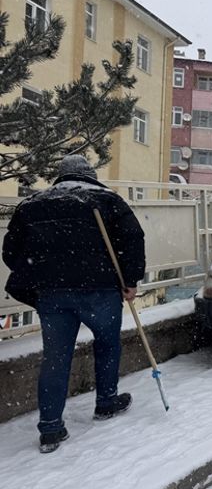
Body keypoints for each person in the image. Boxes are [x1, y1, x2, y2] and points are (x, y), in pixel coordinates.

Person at [2, 155, 146, 453]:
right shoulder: (106, 200)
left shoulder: (32, 205)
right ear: (90, 174)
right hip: (100, 290)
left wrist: (39, 274)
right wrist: (130, 280)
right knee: (107, 344)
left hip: (53, 295)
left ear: (60, 175)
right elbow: (133, 238)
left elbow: (11, 250)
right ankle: (106, 401)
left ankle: (50, 427)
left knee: (55, 357)